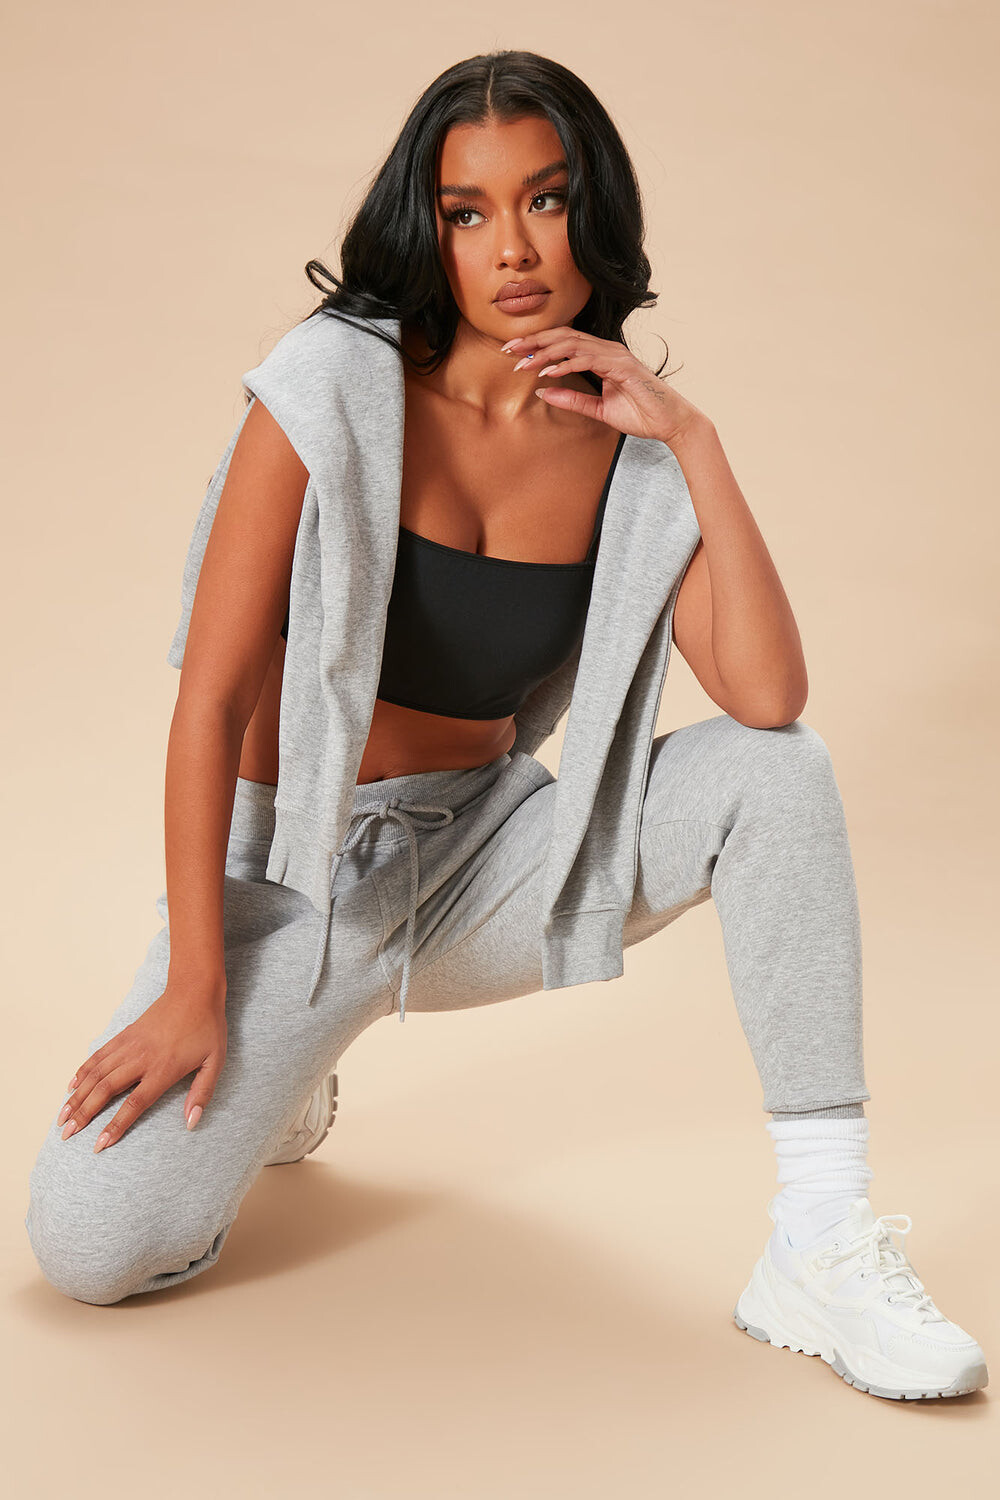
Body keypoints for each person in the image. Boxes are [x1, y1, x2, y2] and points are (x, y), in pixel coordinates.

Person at [25, 49, 987, 1402]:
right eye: (468, 212)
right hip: (290, 885)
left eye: (545, 199)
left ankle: (820, 1240)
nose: (514, 249)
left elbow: (769, 699)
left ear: (595, 210)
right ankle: (289, 1075)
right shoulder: (326, 386)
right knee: (87, 1245)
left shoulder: (623, 442)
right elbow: (215, 697)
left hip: (487, 859)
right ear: (429, 231)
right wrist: (198, 980)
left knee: (781, 772)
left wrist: (693, 440)